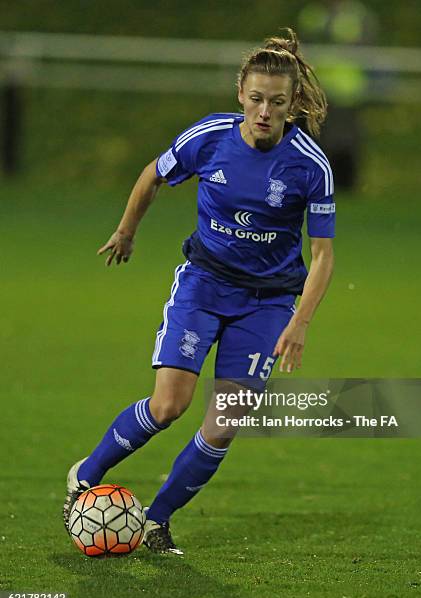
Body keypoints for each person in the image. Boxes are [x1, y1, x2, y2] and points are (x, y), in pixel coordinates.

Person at [63, 27, 335, 556]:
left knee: (225, 423)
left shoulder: (310, 166)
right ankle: (85, 476)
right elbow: (153, 175)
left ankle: (155, 520)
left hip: (269, 303)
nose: (263, 111)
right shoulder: (208, 138)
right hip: (204, 286)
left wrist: (299, 322)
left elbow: (323, 256)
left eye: (277, 102)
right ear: (240, 93)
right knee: (169, 406)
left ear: (292, 103)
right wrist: (126, 229)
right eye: (255, 99)